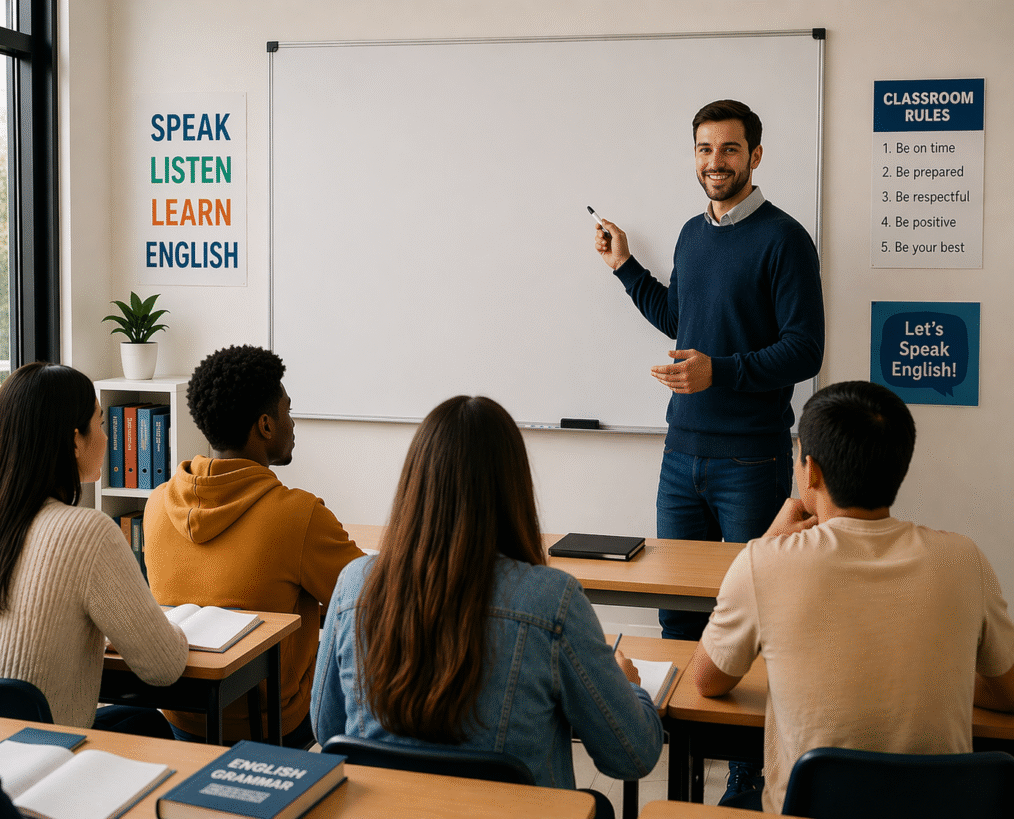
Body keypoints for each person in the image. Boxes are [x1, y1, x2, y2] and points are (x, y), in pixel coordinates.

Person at [311, 396, 663, 819]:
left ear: (414, 483)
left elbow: (327, 729)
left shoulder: (354, 585)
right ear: (513, 486)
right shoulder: (553, 601)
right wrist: (628, 687)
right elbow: (631, 756)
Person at [694, 380, 1014, 813]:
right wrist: (941, 672)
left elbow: (708, 682)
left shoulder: (765, 562)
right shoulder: (964, 559)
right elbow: (1009, 693)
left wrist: (769, 541)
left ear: (812, 471)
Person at [594, 98, 825, 642]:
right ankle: (680, 727)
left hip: (750, 457)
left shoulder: (784, 239)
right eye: (704, 149)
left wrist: (716, 372)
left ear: (755, 156)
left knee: (750, 611)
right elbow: (680, 319)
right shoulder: (691, 234)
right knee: (674, 611)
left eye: (729, 149)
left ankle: (736, 730)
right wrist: (624, 267)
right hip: (681, 455)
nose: (714, 161)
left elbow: (804, 350)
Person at [144, 345, 363, 747]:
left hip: (183, 719)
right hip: (275, 727)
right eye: (288, 412)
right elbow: (368, 597)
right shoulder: (299, 515)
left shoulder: (157, 504)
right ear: (265, 425)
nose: (293, 424)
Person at [0, 362, 188, 735]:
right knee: (153, 726)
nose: (107, 438)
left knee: (138, 720)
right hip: (49, 758)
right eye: (100, 423)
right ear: (74, 439)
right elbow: (164, 666)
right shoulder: (87, 532)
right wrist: (170, 629)